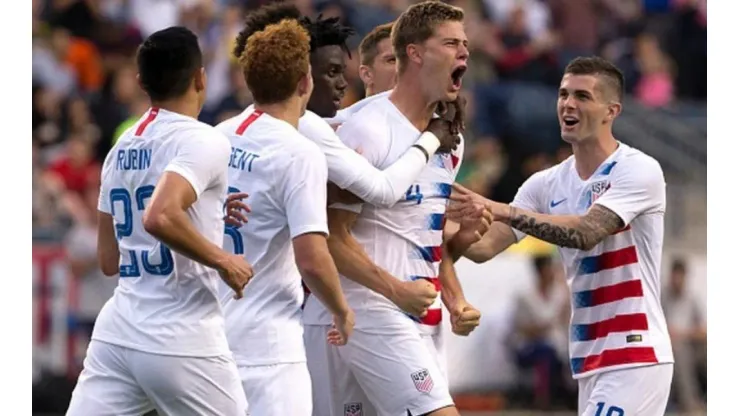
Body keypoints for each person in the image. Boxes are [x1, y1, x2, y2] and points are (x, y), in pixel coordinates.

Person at [450, 56, 674, 416]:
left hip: (635, 351)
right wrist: (427, 218)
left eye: (583, 96)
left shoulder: (638, 169)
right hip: (588, 359)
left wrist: (501, 207)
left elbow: (587, 232)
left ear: (610, 110)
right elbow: (483, 246)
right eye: (563, 94)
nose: (568, 104)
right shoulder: (545, 183)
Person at [304, 3, 485, 415]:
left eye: (466, 45)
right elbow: (332, 235)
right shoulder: (368, 129)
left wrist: (454, 295)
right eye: (451, 43)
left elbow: (421, 237)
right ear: (416, 54)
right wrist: (396, 290)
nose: (464, 54)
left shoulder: (450, 140)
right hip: (369, 309)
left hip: (418, 315)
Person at [66, 27, 251, 416]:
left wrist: (207, 216)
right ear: (200, 77)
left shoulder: (121, 145)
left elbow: (108, 259)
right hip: (180, 334)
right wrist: (223, 259)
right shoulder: (204, 139)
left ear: (140, 81)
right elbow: (161, 214)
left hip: (118, 334)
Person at [216, 19, 354, 416]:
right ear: (304, 83)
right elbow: (311, 257)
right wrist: (342, 311)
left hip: (212, 338)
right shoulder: (299, 152)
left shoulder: (220, 134)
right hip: (268, 349)